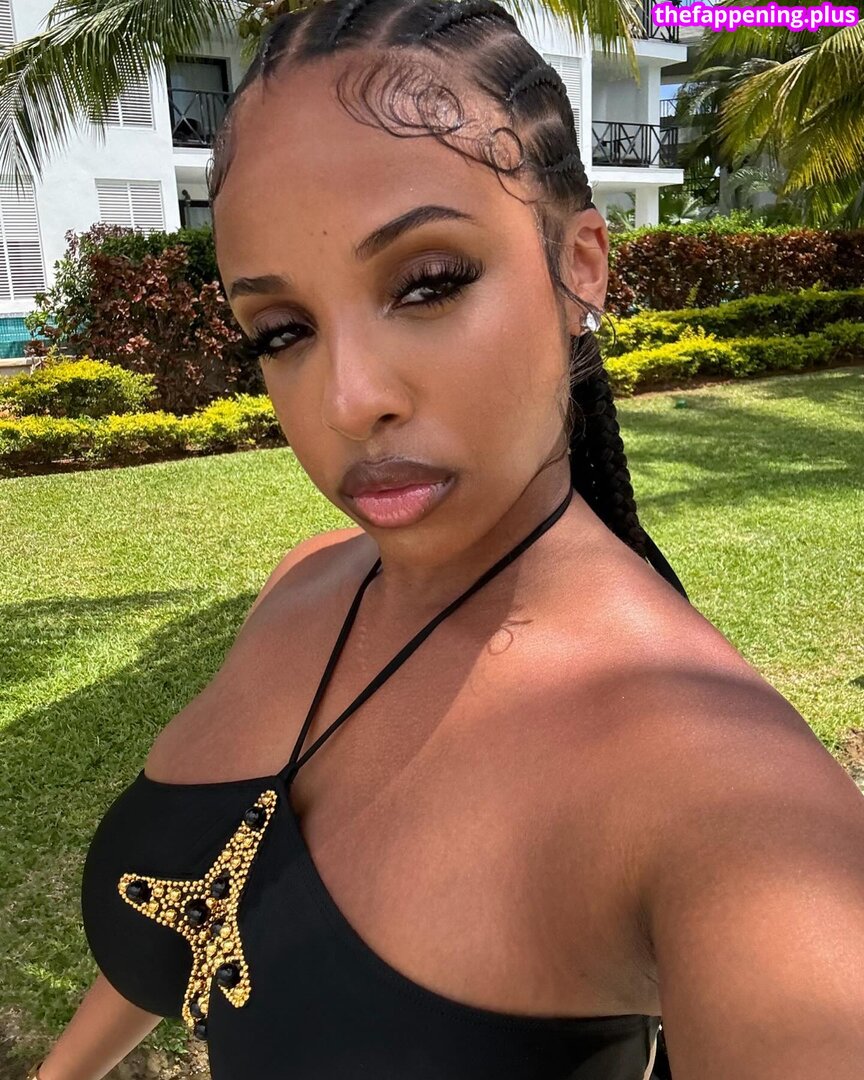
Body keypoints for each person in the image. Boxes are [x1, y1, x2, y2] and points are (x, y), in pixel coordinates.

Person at [27, 2, 864, 1078]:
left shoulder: (727, 801)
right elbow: (205, 921)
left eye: (427, 284)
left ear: (582, 266)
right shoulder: (303, 590)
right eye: (282, 331)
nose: (349, 400)